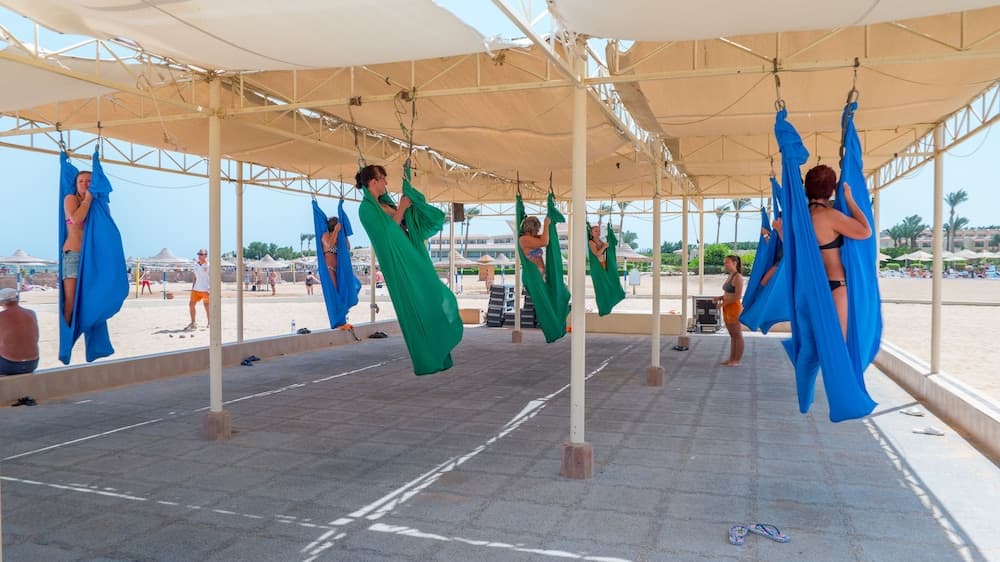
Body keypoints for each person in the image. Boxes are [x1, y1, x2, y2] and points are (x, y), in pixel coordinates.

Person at [804, 164, 872, 338]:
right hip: (836, 283)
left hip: (813, 283)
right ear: (832, 189)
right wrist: (849, 199)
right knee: (838, 341)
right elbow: (866, 231)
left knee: (819, 341)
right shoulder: (829, 216)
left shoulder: (802, 218)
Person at [62, 170, 93, 323]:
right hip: (73, 254)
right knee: (71, 302)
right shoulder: (70, 199)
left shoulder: (98, 206)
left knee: (90, 300)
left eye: (88, 181)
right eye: (81, 181)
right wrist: (87, 199)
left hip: (90, 257)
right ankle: (67, 335)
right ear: (75, 184)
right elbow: (76, 219)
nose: (84, 184)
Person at [0, 288, 39, 375]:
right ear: (17, 299)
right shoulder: (31, 313)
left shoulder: (1, 316)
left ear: (2, 302)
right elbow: (36, 338)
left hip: (9, 365)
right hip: (32, 363)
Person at [715, 255, 744, 367]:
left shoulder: (738, 277)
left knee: (737, 335)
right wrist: (720, 298)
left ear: (734, 263)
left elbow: (737, 296)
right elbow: (728, 293)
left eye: (727, 262)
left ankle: (737, 360)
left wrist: (723, 303)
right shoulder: (730, 276)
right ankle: (732, 358)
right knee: (732, 335)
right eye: (724, 263)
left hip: (734, 308)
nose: (725, 265)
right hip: (727, 308)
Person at [187, 249, 209, 330]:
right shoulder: (195, 265)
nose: (199, 255)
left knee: (207, 306)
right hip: (196, 289)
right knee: (191, 305)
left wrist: (210, 289)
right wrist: (192, 287)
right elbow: (195, 277)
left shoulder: (209, 265)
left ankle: (210, 322)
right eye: (199, 254)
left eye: (201, 254)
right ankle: (193, 322)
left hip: (205, 289)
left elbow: (212, 277)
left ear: (206, 255)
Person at [321, 216, 344, 287]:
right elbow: (330, 245)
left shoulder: (339, 237)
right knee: (334, 289)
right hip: (330, 267)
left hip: (339, 268)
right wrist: (336, 231)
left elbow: (348, 247)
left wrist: (345, 235)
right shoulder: (325, 235)